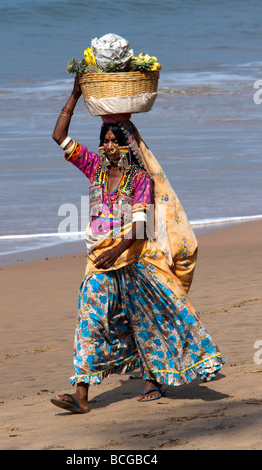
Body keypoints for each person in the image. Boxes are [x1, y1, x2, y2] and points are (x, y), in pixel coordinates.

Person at [51, 76, 225, 414]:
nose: (109, 145)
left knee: (147, 321)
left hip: (134, 262)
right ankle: (81, 393)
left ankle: (153, 380)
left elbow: (143, 227)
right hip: (99, 263)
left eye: (115, 140)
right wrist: (74, 94)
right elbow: (59, 136)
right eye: (105, 140)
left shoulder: (140, 180)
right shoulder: (94, 169)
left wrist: (117, 249)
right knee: (90, 322)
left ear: (128, 146)